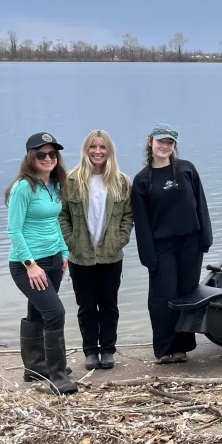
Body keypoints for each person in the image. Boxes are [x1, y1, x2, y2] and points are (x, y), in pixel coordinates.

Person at [131, 123, 213, 365]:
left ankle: (183, 348)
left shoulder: (187, 169)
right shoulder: (142, 180)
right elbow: (142, 222)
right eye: (160, 141)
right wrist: (148, 256)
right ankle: (164, 349)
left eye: (169, 142)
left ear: (174, 145)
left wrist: (205, 238)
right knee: (163, 297)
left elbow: (201, 204)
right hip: (161, 246)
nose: (165, 146)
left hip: (191, 242)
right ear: (150, 142)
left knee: (187, 295)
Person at [6, 132, 77, 395]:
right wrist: (30, 264)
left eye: (52, 154)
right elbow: (14, 230)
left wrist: (64, 251)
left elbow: (53, 223)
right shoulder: (23, 187)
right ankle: (58, 378)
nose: (48, 158)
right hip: (27, 263)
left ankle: (35, 367)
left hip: (53, 258)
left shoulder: (56, 185)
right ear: (30, 158)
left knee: (39, 311)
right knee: (55, 313)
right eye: (41, 154)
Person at [59, 130, 133, 371]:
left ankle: (108, 350)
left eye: (103, 147)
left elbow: (128, 216)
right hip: (80, 256)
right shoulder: (70, 180)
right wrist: (70, 241)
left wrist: (121, 239)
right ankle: (91, 350)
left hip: (111, 254)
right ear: (86, 150)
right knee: (87, 305)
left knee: (109, 304)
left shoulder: (121, 181)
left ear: (109, 151)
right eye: (93, 147)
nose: (98, 152)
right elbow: (62, 215)